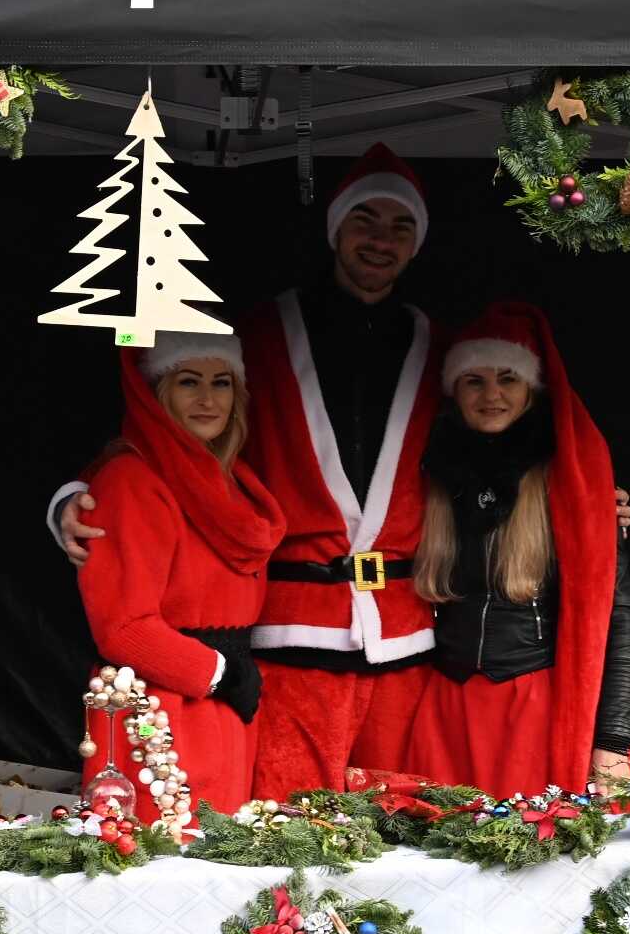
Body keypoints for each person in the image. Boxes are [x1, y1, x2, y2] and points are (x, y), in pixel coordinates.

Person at [57, 144, 442, 803]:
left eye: (400, 225)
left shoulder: (438, 345)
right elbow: (159, 430)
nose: (381, 240)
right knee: (281, 826)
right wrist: (72, 496)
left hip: (404, 637)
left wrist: (596, 503)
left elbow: (498, 441)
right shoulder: (258, 332)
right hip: (288, 638)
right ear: (334, 228)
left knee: (404, 822)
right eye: (364, 220)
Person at [402, 304, 630, 797]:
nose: (492, 395)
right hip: (446, 713)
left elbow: (616, 615)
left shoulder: (571, 483)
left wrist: (614, 740)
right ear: (453, 391)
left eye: (508, 378)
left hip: (538, 710)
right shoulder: (431, 477)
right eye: (474, 380)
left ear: (531, 388)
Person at [74, 332, 284, 818]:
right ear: (158, 392)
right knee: (162, 849)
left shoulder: (232, 481)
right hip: (156, 711)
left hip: (223, 709)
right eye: (189, 382)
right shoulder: (130, 480)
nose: (208, 399)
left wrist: (229, 680)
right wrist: (221, 674)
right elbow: (124, 627)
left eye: (221, 383)